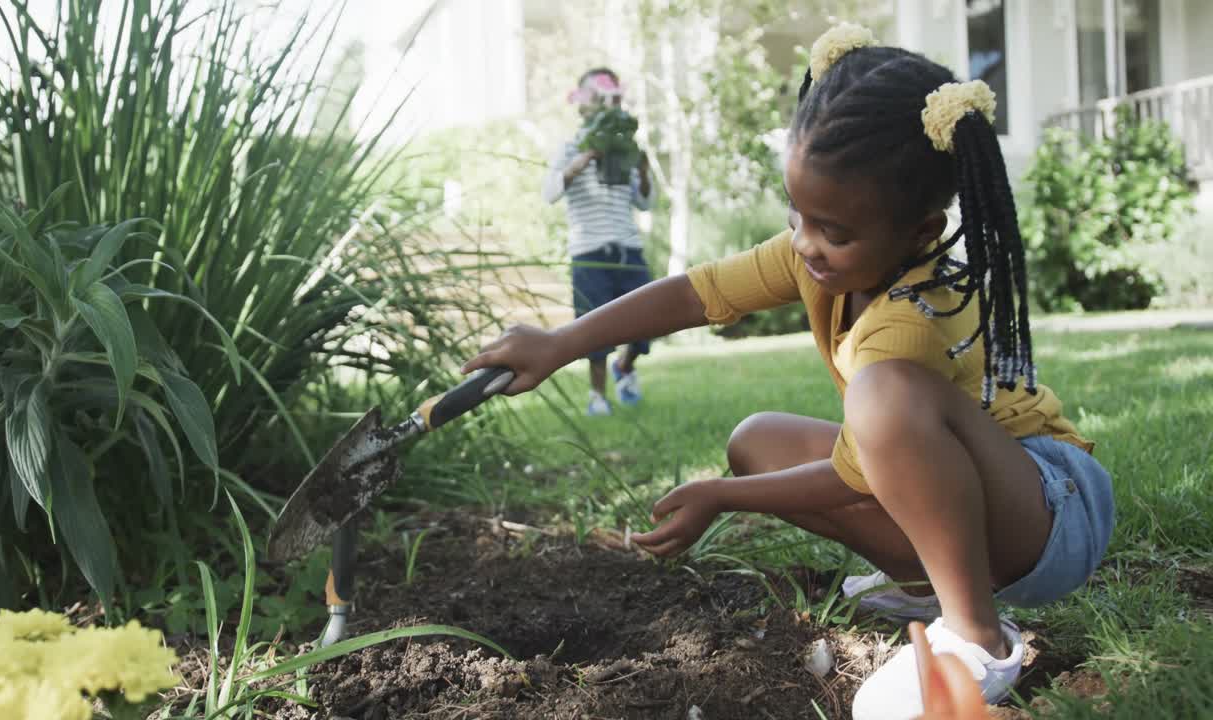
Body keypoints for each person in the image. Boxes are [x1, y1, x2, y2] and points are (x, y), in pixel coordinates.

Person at [467, 23, 1114, 719]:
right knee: (758, 440)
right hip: (986, 503)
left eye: (834, 231)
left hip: (1049, 514)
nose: (806, 244)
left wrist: (721, 496)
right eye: (797, 214)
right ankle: (932, 582)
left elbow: (850, 472)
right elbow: (700, 291)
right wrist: (561, 344)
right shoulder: (816, 252)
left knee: (881, 400)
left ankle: (979, 639)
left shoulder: (910, 318)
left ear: (921, 233)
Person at [542, 67, 654, 416]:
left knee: (649, 320)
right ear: (582, 103)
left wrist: (645, 171)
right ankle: (598, 396)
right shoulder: (570, 148)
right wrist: (583, 160)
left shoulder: (623, 149)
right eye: (598, 94)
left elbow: (644, 202)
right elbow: (549, 192)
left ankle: (626, 367)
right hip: (588, 251)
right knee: (594, 330)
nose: (607, 101)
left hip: (627, 247)